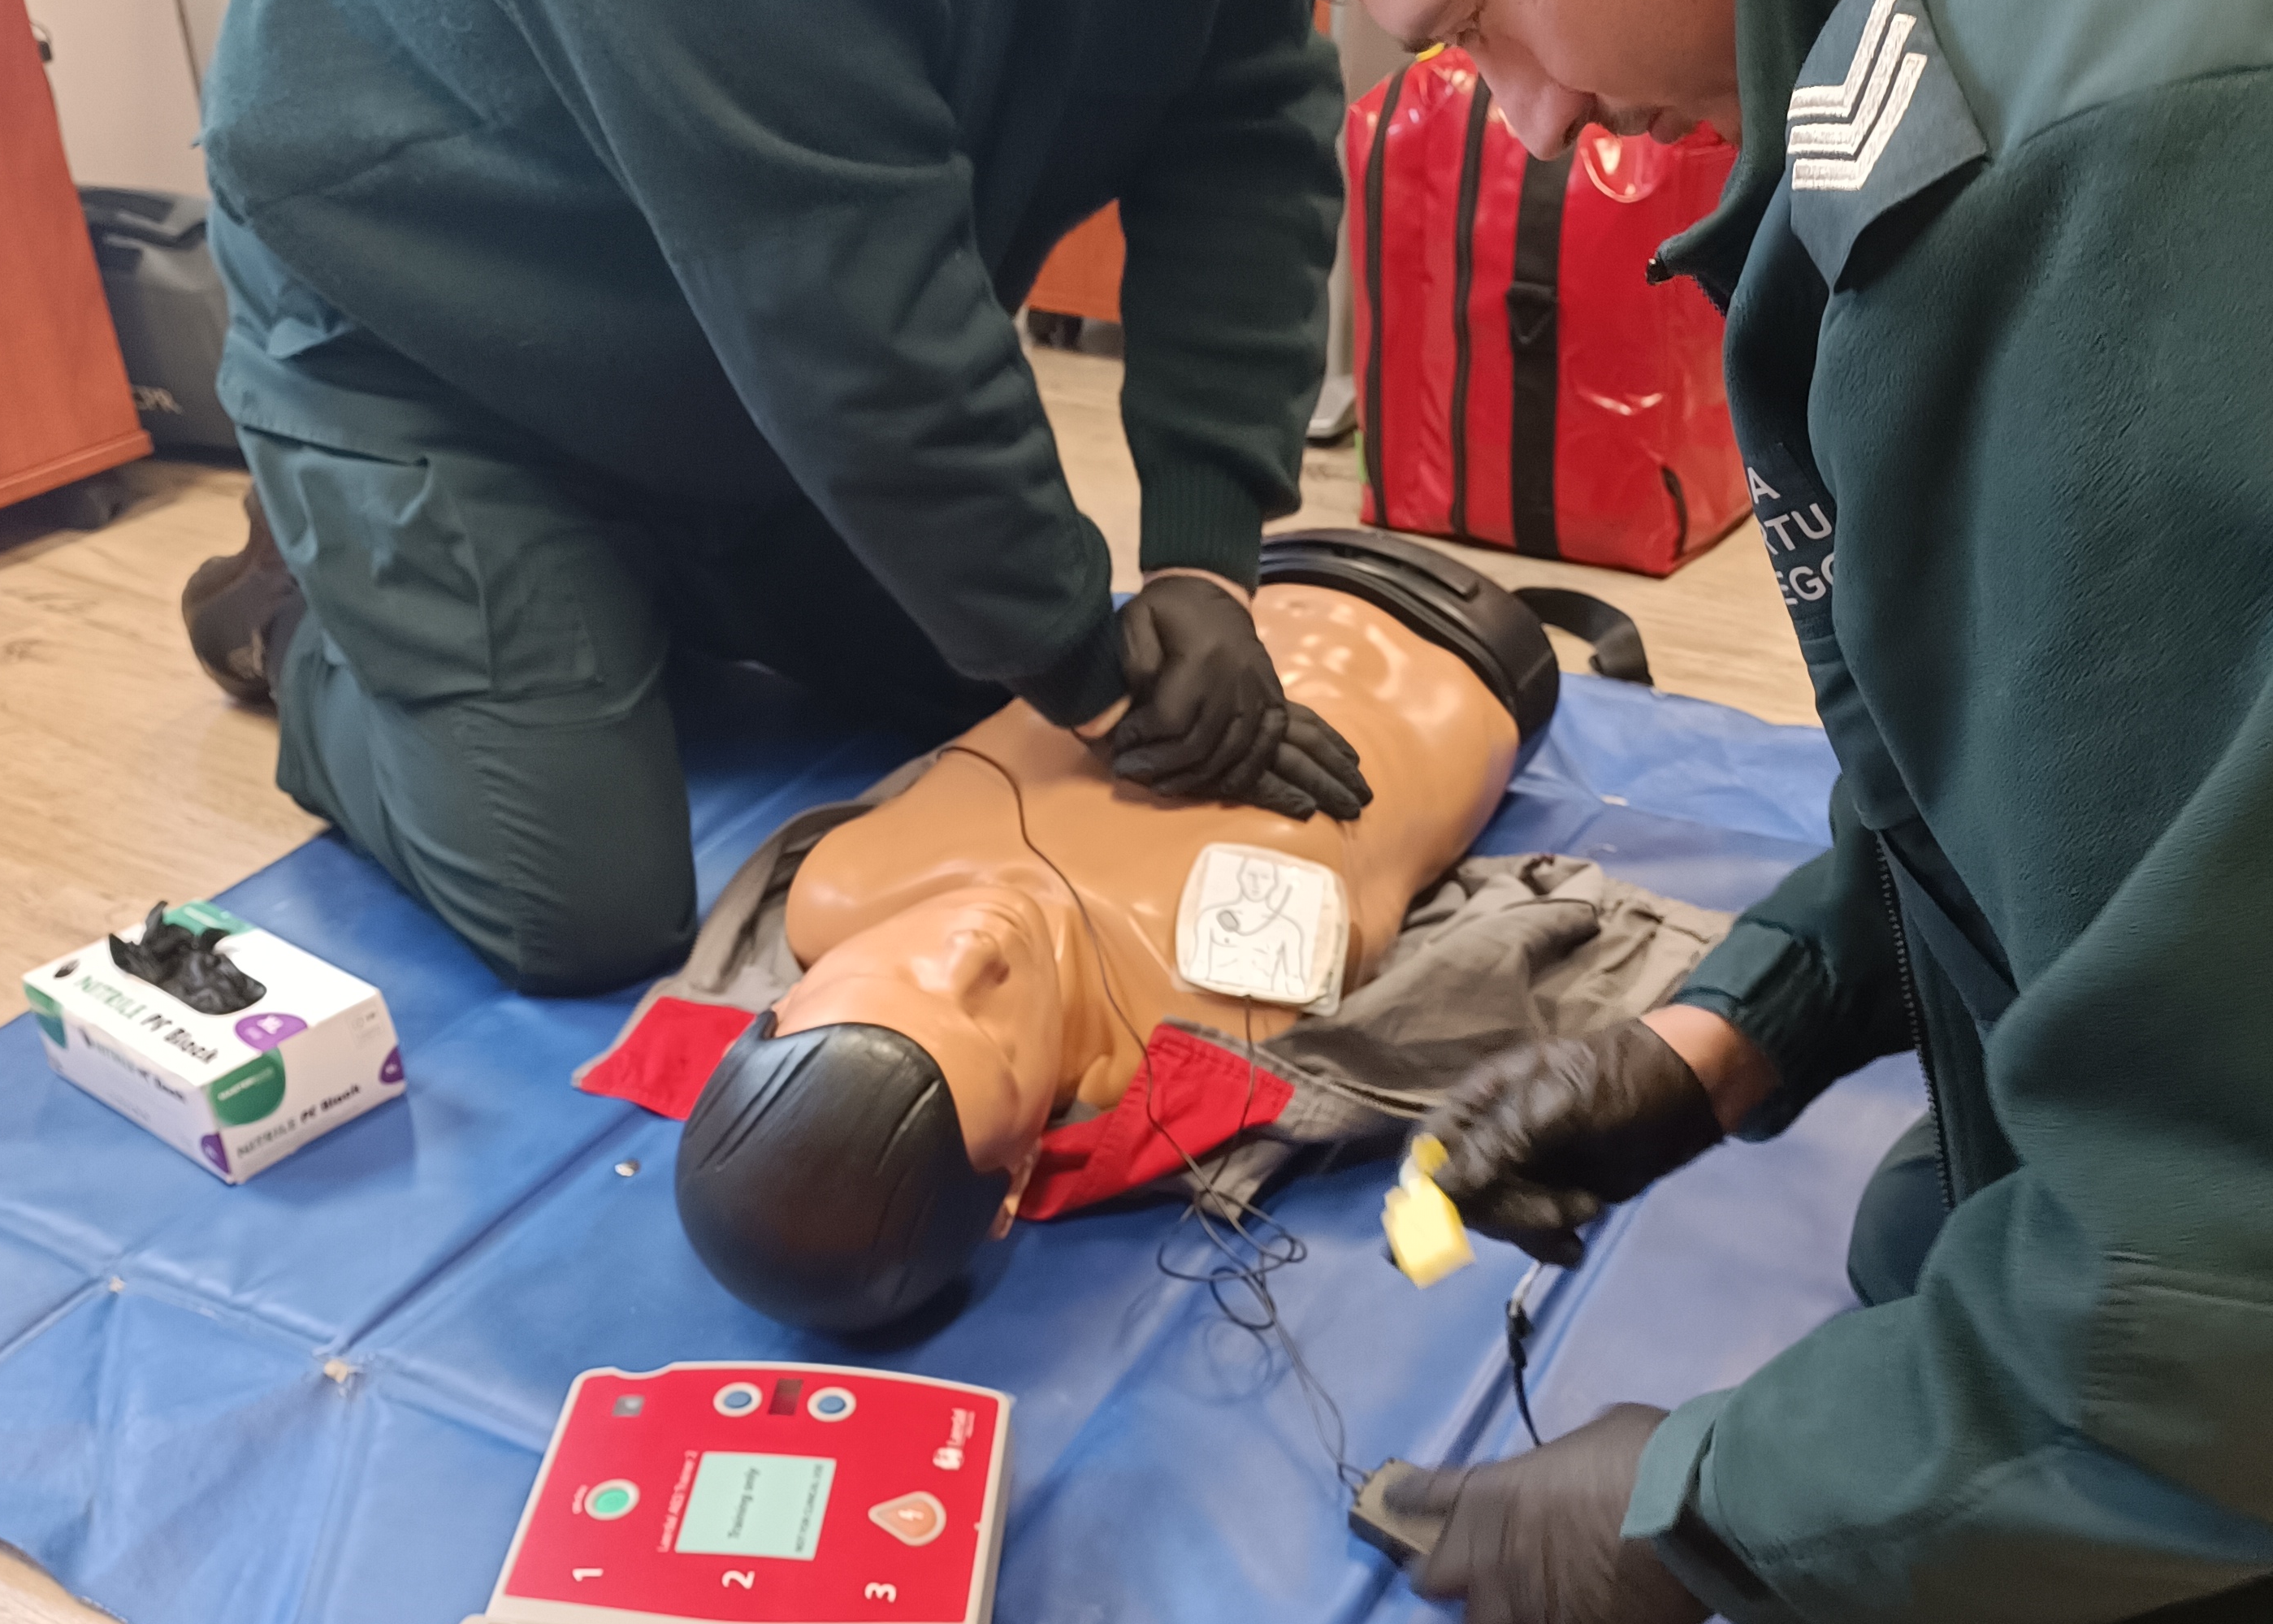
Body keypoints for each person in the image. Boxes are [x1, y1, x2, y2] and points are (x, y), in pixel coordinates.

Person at [1178, 0, 2273, 1624]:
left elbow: (2250, 1264)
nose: (1516, 120)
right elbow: (2100, 765)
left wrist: (1695, 1503)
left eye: (1474, 18)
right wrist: (1739, 1033)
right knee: (1931, 1274)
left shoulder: (2119, 133)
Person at [185, 0, 1357, 998]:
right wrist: (1091, 666)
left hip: (734, 350)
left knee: (972, 699)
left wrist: (1209, 557)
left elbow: (1244, 126)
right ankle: (300, 605)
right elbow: (854, 315)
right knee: (576, 895)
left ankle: (638, 580)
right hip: (434, 336)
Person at [670, 531, 1721, 1324]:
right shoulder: (1218, 996)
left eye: (892, 976)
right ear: (1016, 1180)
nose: (969, 948)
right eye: (985, 1018)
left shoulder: (838, 889)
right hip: (1476, 645)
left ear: (785, 1005)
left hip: (1250, 569)